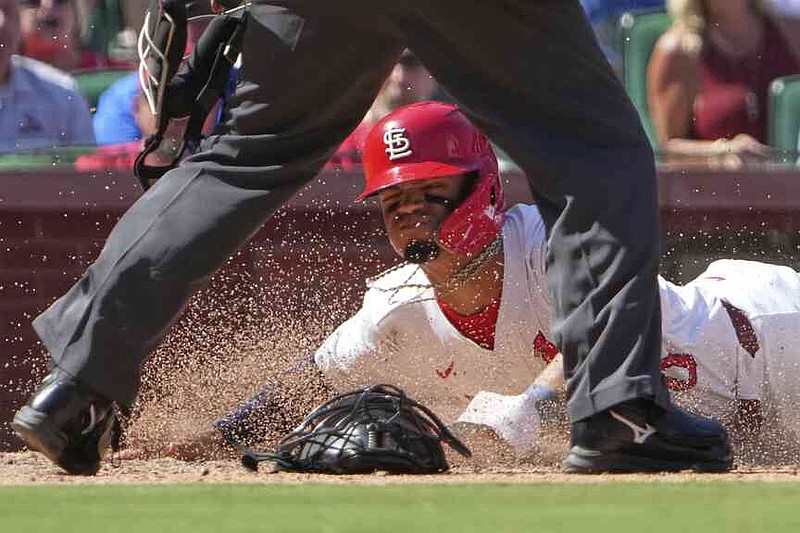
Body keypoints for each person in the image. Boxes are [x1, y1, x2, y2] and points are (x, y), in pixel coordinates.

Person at [12, 0, 730, 476]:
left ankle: (80, 386)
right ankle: (617, 410)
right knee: (594, 150)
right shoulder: (391, 307)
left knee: (246, 153)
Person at [131, 103, 774, 467]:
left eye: (432, 193)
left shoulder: (551, 245)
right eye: (394, 201)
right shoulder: (395, 307)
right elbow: (310, 383)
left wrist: (527, 405)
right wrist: (199, 441)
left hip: (769, 335)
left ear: (486, 190)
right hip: (738, 424)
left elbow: (616, 329)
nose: (410, 214)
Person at [647, 0, 800, 164]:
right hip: (720, 185)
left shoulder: (790, 32)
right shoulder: (678, 52)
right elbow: (668, 151)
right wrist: (721, 151)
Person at [0, 0, 94, 152]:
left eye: (7, 9)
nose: (2, 23)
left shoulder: (64, 93)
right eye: (32, 1)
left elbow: (87, 169)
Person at [17, 0, 130, 71]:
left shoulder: (115, 74)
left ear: (77, 14)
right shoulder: (5, 79)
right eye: (32, 1)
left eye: (61, 0)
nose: (48, 6)